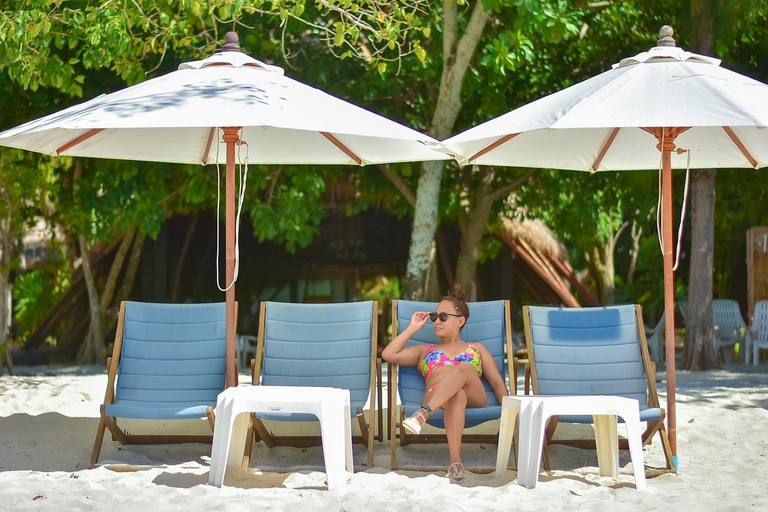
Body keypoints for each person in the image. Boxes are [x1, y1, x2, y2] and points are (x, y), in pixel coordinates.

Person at [381, 285, 508, 480]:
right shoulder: (425, 350)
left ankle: (422, 414)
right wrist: (413, 327)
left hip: (474, 397)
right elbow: (388, 354)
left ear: (460, 321)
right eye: (434, 317)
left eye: (443, 317)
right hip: (437, 395)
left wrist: (511, 415)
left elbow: (498, 384)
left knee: (464, 368)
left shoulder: (477, 349)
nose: (436, 321)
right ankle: (455, 461)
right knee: (457, 394)